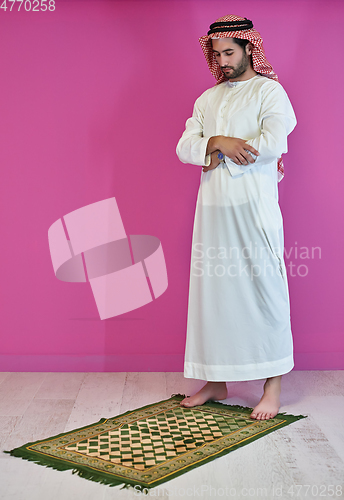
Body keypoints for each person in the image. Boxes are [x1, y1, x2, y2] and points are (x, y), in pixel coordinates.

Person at [176, 15, 297, 420]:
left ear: (250, 49)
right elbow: (185, 145)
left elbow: (274, 140)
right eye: (217, 54)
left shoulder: (270, 92)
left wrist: (222, 151)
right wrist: (215, 141)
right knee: (214, 293)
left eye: (230, 52)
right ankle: (215, 379)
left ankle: (273, 385)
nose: (223, 60)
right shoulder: (207, 100)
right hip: (211, 209)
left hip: (254, 206)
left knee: (266, 290)